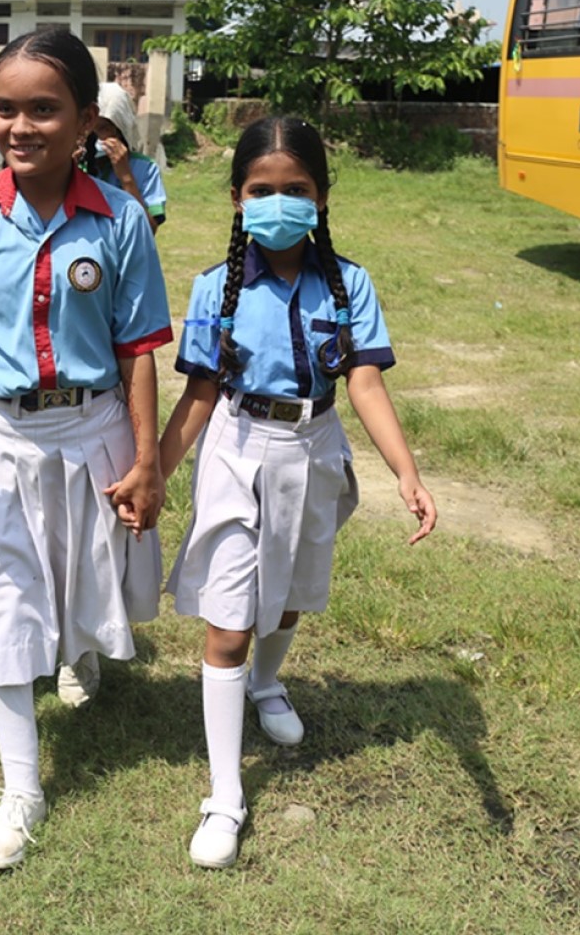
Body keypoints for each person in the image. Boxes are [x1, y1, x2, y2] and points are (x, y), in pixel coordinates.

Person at [0, 28, 171, 870]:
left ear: (86, 119)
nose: (22, 126)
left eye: (44, 110)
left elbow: (136, 350)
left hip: (91, 431)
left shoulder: (120, 219)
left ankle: (79, 653)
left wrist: (148, 458)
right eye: (7, 109)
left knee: (85, 580)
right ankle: (23, 788)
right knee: (7, 603)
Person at [157, 117, 438, 870]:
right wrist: (154, 471)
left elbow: (367, 384)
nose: (278, 203)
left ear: (320, 197)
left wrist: (406, 473)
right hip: (239, 450)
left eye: (296, 190)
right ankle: (224, 796)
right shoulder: (216, 288)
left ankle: (268, 685)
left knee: (287, 600)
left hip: (312, 451)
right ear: (237, 197)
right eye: (262, 191)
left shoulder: (349, 286)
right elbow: (200, 394)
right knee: (229, 618)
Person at [84, 82, 166, 233]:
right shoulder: (75, 163)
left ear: (120, 131)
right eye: (89, 128)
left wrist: (126, 177)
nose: (94, 136)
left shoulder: (145, 169)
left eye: (103, 128)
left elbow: (149, 230)